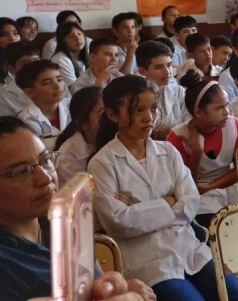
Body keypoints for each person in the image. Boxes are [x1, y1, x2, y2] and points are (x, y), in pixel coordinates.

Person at [89, 75, 238, 300]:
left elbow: (191, 202)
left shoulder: (168, 151)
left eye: (154, 108)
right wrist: (168, 201)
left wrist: (142, 209)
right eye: (138, 111)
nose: (149, 117)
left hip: (188, 248)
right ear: (112, 114)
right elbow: (119, 223)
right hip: (147, 260)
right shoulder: (102, 163)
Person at [0, 116, 156, 301]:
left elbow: (97, 284)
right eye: (21, 171)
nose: (46, 178)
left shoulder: (66, 224)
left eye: (44, 161)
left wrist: (120, 289)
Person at [168, 71, 238, 228]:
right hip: (200, 194)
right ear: (199, 112)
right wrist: (197, 152)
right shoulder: (177, 137)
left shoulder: (235, 125)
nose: (227, 112)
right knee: (219, 229)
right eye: (219, 108)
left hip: (230, 184)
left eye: (226, 105)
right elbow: (186, 186)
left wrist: (211, 186)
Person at [135, 41, 188, 140]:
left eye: (169, 65)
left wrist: (164, 132)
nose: (167, 72)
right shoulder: (135, 97)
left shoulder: (179, 92)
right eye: (159, 67)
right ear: (142, 71)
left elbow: (190, 126)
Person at [55, 87, 102, 186]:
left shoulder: (116, 136)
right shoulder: (67, 155)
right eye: (102, 114)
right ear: (83, 123)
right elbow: (89, 193)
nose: (110, 118)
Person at [15, 60, 70, 137]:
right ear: (30, 92)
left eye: (59, 80)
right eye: (47, 83)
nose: (57, 86)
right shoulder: (26, 120)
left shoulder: (74, 105)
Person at [0, 41, 40, 115]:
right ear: (11, 68)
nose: (34, 67)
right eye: (25, 64)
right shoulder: (4, 97)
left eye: (37, 61)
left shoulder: (58, 84)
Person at [50, 22, 90, 87]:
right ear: (62, 41)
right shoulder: (60, 60)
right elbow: (75, 89)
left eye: (79, 34)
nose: (77, 39)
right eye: (71, 36)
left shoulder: (89, 54)